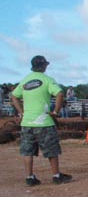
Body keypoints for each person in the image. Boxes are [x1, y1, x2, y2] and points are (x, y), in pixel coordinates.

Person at [11, 55, 72, 186]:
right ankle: (56, 175)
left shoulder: (25, 81)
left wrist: (21, 112)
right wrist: (56, 111)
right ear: (44, 66)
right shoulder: (47, 79)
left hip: (27, 121)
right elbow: (60, 94)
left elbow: (14, 96)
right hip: (44, 121)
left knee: (27, 151)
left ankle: (29, 177)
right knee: (51, 149)